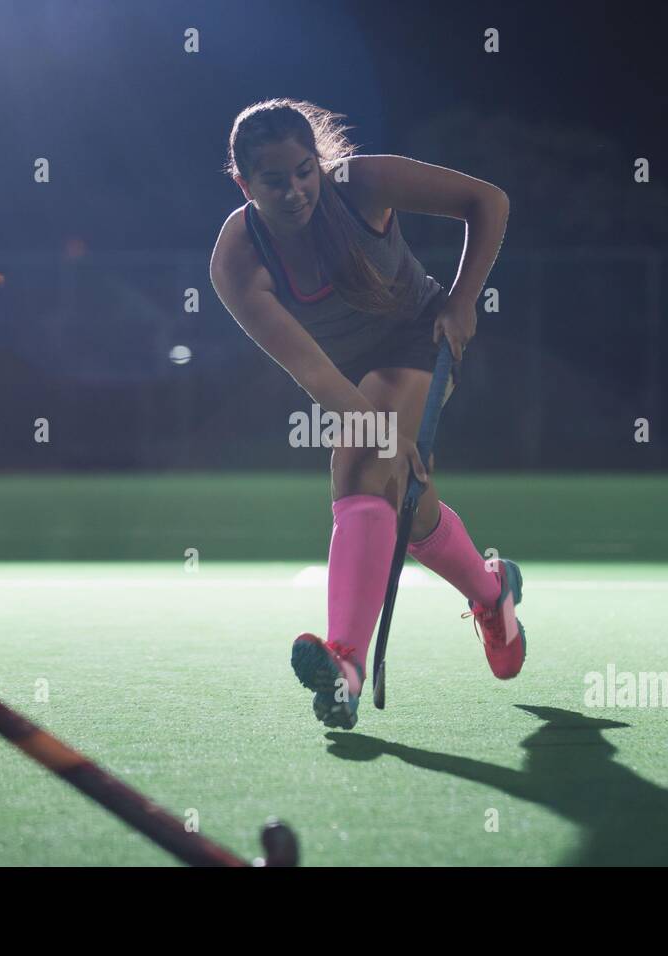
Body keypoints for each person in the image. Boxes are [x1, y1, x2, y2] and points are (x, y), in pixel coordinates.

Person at [210, 99, 522, 730]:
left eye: (305, 171)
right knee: (402, 494)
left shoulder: (361, 184)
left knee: (358, 467)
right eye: (274, 180)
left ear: (318, 162)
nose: (296, 190)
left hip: (420, 337)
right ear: (244, 184)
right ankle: (493, 594)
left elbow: (489, 201)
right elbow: (315, 373)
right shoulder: (237, 259)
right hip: (349, 374)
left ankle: (344, 662)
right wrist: (380, 427)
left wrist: (462, 301)